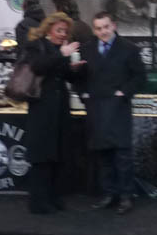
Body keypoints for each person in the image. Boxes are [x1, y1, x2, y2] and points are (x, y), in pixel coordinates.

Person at [76, 11, 145, 214]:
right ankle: (109, 194)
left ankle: (126, 197)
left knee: (122, 156)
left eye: (106, 27)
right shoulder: (87, 49)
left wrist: (124, 92)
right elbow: (79, 77)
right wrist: (83, 95)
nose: (103, 32)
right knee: (103, 155)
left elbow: (140, 77)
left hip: (118, 108)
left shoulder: (129, 49)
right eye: (98, 28)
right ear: (94, 29)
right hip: (96, 108)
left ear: (113, 25)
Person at [21, 12, 82, 213]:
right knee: (42, 155)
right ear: (48, 29)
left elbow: (64, 76)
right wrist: (61, 55)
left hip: (60, 109)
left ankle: (54, 197)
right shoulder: (36, 45)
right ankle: (38, 201)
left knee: (58, 154)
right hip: (41, 109)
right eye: (59, 30)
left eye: (65, 30)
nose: (63, 34)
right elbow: (38, 66)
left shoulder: (59, 49)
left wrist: (74, 69)